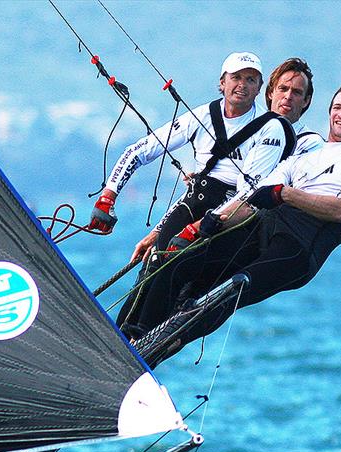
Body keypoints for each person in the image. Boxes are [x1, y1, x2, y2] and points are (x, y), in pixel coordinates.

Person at [133, 85, 341, 358]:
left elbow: (340, 210)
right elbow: (253, 199)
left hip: (298, 247)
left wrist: (286, 194)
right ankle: (135, 335)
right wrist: (204, 225)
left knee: (228, 291)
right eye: (337, 108)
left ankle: (154, 349)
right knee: (183, 261)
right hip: (264, 226)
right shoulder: (304, 158)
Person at [95, 53, 299, 335]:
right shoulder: (201, 115)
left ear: (259, 87)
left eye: (250, 80)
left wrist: (201, 225)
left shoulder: (272, 128)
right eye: (236, 77)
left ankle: (141, 335)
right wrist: (108, 196)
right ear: (222, 82)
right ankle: (118, 335)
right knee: (156, 263)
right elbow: (140, 150)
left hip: (231, 214)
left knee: (176, 268)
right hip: (196, 200)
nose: (242, 85)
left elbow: (250, 189)